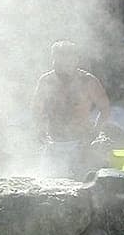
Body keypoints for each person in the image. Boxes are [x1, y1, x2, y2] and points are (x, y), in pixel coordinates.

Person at [31, 40, 114, 179]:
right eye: (58, 60)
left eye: (67, 61)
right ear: (53, 59)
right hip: (54, 143)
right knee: (48, 184)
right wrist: (39, 128)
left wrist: (95, 132)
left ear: (76, 60)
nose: (62, 65)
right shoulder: (46, 81)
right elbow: (36, 108)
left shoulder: (87, 81)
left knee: (77, 187)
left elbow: (105, 108)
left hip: (80, 144)